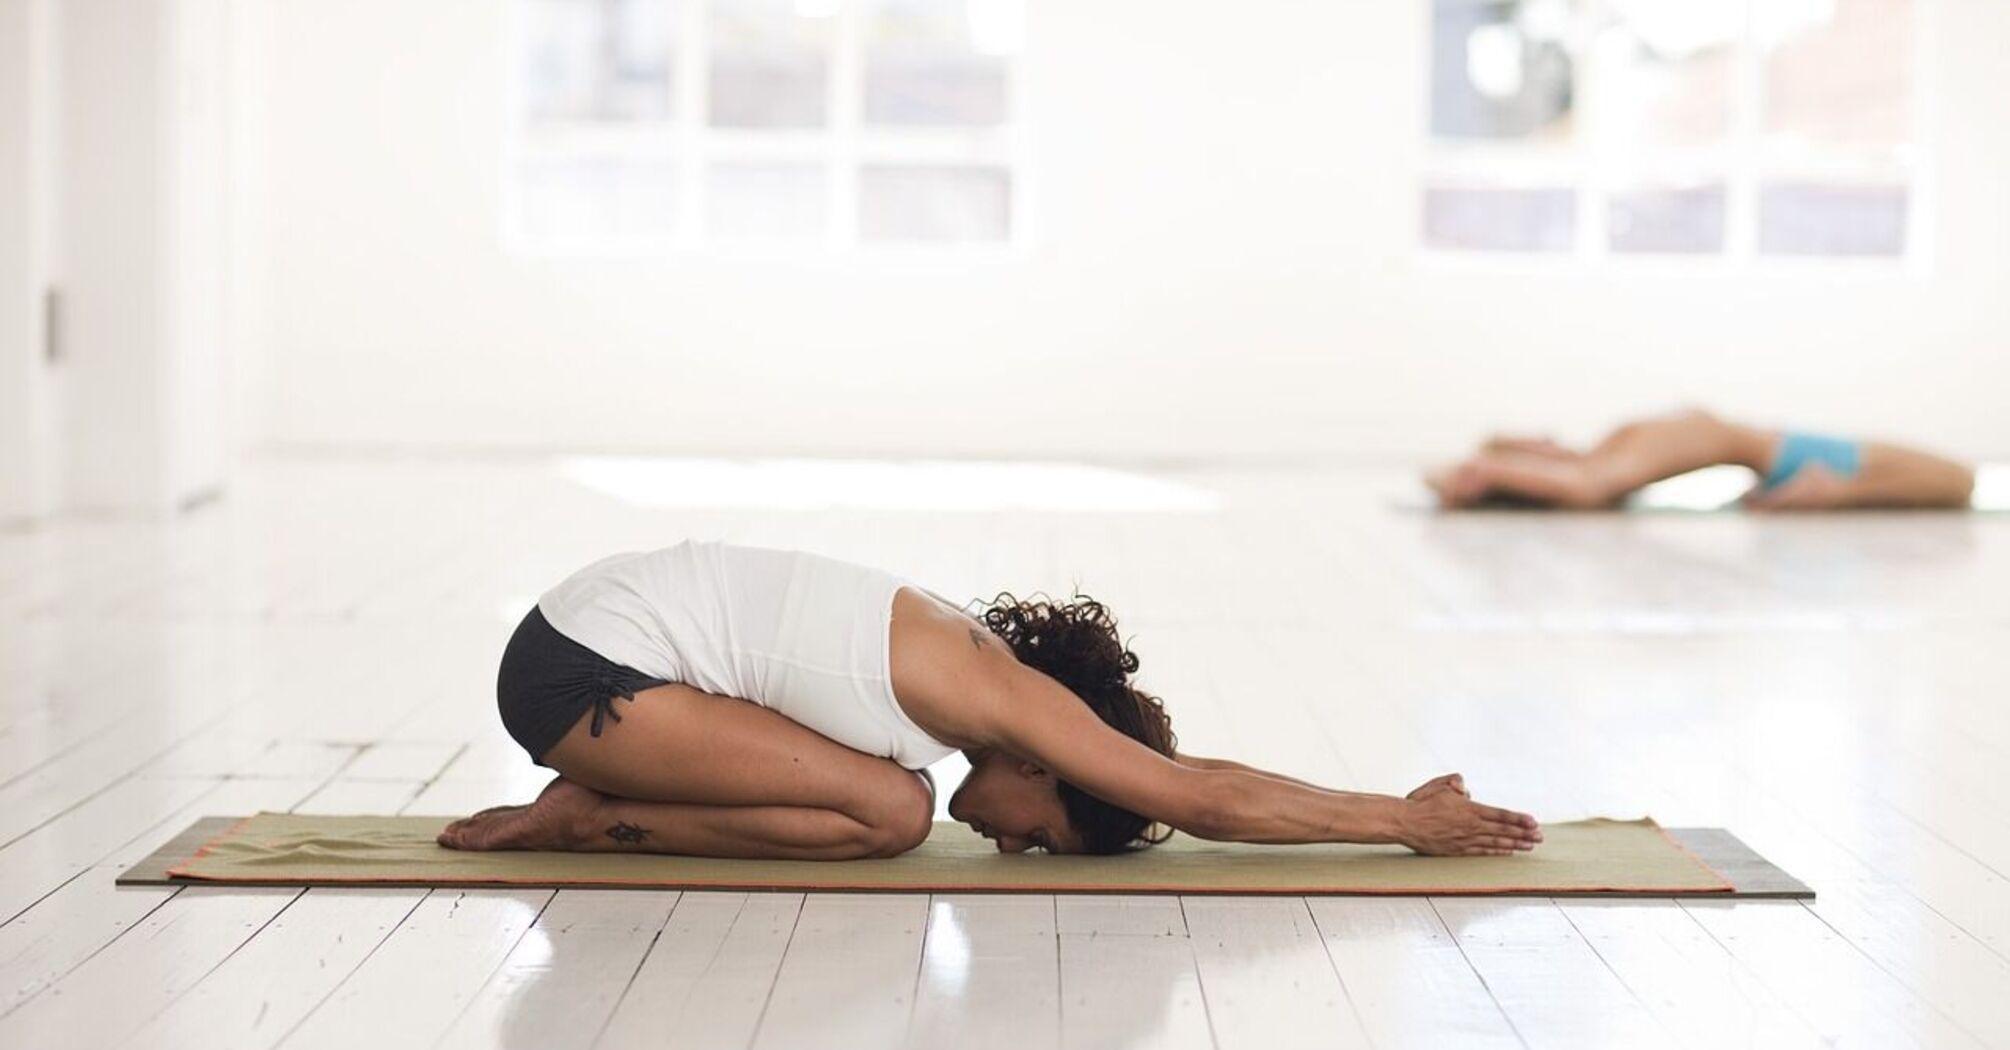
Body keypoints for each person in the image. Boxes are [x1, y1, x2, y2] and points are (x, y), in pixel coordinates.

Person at [435, 539, 1542, 859]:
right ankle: (582, 816)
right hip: (583, 672)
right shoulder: (999, 696)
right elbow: (1198, 802)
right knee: (892, 813)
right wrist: (1399, 823)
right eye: (1043, 836)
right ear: (1043, 766)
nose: (1013, 847)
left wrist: (1394, 807)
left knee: (895, 800)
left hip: (593, 644)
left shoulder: (994, 693)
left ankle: (593, 802)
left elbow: (1182, 778)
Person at [1425, 408, 1975, 510]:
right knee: (1958, 480)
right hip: (1779, 452)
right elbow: (1584, 490)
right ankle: (1829, 491)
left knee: (1954, 480)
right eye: (1532, 444)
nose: (1547, 437)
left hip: (1779, 450)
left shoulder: (1599, 455)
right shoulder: (1593, 470)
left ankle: (1828, 492)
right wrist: (1488, 469)